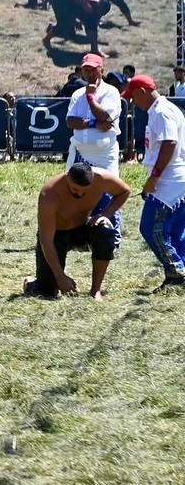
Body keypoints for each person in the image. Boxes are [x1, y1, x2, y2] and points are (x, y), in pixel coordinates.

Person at [23, 162, 131, 301]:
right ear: (67, 177)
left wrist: (105, 214)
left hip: (82, 228)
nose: (79, 193)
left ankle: (95, 290)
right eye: (75, 189)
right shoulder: (49, 194)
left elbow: (125, 191)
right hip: (57, 235)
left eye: (84, 190)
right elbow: (46, 240)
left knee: (106, 234)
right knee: (48, 292)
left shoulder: (102, 178)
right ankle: (31, 282)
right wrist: (60, 277)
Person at [123, 75, 185, 291]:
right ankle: (182, 271)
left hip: (169, 181)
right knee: (175, 231)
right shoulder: (164, 109)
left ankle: (176, 272)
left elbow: (170, 143)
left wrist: (155, 176)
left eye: (133, 96)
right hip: (176, 180)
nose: (133, 102)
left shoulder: (161, 111)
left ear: (141, 91)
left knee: (151, 227)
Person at [66, 53, 121, 174]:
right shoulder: (78, 94)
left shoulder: (111, 92)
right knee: (74, 191)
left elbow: (103, 117)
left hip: (103, 155)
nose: (90, 74)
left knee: (107, 191)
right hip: (79, 153)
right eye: (86, 70)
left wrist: (90, 96)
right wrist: (94, 124)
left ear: (102, 70)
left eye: (94, 70)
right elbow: (70, 121)